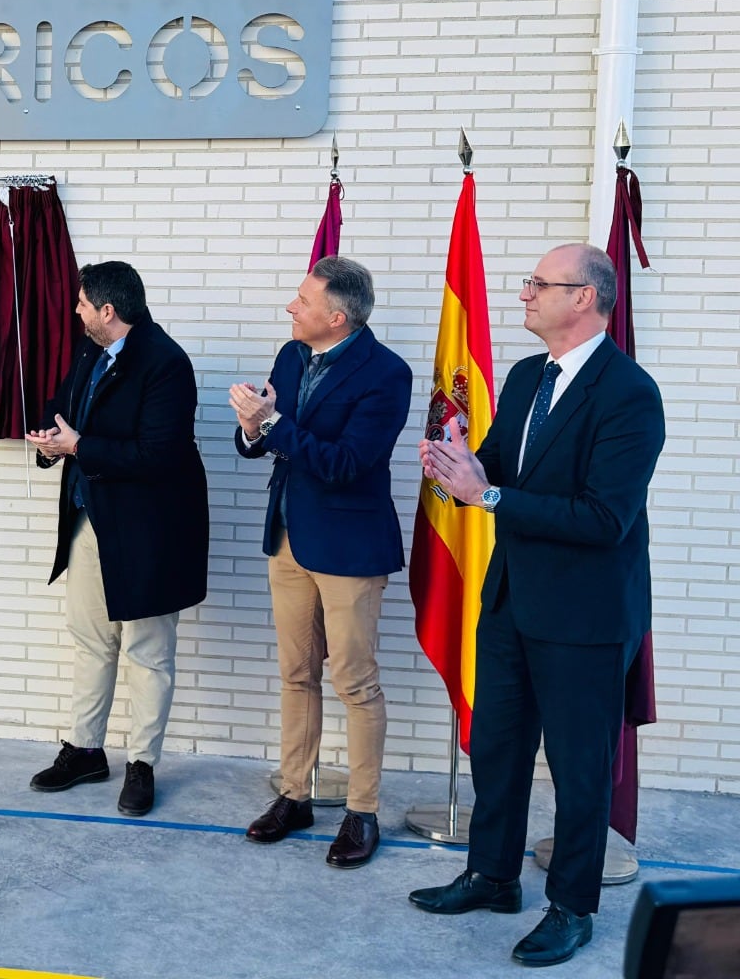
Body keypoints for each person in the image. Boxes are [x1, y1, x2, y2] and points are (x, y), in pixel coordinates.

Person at [409, 243, 666, 967]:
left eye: (538, 285)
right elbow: (500, 467)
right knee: (496, 745)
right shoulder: (527, 376)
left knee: (580, 768)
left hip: (585, 617)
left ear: (584, 298)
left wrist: (484, 494)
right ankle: (492, 876)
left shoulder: (629, 394)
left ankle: (571, 906)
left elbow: (602, 519)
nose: (523, 294)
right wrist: (463, 456)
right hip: (512, 598)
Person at [228, 255, 412, 869]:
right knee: (296, 673)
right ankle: (294, 794)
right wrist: (253, 428)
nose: (291, 308)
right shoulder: (290, 354)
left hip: (349, 548)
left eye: (302, 301)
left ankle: (363, 811)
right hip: (289, 538)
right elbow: (264, 440)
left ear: (337, 317)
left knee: (355, 682)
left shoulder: (387, 374)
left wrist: (271, 423)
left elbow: (345, 464)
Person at [25, 261, 210, 817]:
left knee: (149, 652)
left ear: (108, 311)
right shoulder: (89, 351)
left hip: (148, 531)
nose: (76, 313)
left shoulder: (167, 364)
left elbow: (158, 456)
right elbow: (66, 416)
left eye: (82, 305)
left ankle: (142, 764)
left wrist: (79, 447)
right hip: (90, 519)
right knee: (91, 639)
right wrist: (49, 441)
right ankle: (85, 750)